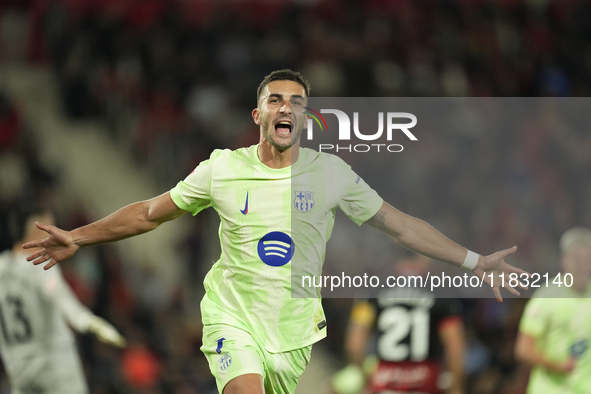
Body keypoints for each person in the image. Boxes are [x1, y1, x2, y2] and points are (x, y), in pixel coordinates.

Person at [23, 69, 528, 394]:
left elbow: (402, 227)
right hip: (231, 318)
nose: (287, 107)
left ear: (306, 118)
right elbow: (149, 214)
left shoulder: (332, 174)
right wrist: (80, 236)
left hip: (291, 334)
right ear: (258, 114)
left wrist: (474, 261)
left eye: (297, 102)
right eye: (276, 99)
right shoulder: (220, 168)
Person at [0, 201, 126, 394]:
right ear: (38, 227)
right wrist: (90, 322)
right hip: (53, 365)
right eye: (51, 225)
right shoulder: (40, 265)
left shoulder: (2, 266)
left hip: (18, 368)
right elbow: (62, 299)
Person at [333, 254, 465, 394]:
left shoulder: (372, 289)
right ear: (424, 255)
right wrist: (457, 388)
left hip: (384, 383)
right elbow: (455, 350)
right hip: (426, 382)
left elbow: (354, 345)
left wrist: (367, 380)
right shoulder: (442, 292)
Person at [515, 227, 591, 394]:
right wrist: (557, 365)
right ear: (563, 261)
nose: (582, 266)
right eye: (576, 259)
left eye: (587, 259)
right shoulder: (546, 298)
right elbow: (523, 349)